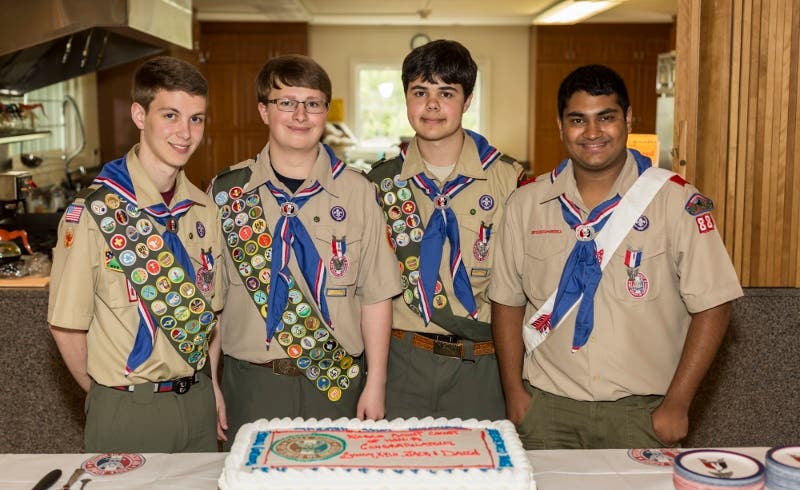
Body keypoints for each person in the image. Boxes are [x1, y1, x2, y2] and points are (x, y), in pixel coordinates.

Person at [489, 64, 744, 449]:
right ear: (561, 126)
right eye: (578, 120)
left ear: (627, 119)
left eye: (605, 118)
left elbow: (715, 305)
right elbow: (506, 303)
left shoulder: (675, 202)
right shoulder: (526, 204)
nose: (592, 133)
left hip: (643, 412)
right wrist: (514, 394)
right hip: (547, 409)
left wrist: (677, 404)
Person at [210, 54, 400, 446]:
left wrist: (376, 382)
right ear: (264, 111)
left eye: (312, 103)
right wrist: (210, 384)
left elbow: (376, 295)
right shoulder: (227, 193)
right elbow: (212, 300)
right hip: (251, 383)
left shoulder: (358, 192)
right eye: (286, 102)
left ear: (325, 112)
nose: (300, 114)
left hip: (335, 383)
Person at [48, 56, 223, 452]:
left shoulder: (203, 210)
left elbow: (212, 314)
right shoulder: (96, 212)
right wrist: (108, 396)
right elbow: (66, 326)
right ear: (139, 115)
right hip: (128, 407)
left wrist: (211, 387)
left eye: (197, 119)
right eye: (171, 115)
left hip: (197, 402)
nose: (185, 133)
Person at [367, 39, 526, 421]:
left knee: (481, 474)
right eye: (420, 92)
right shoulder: (379, 184)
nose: (432, 105)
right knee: (399, 473)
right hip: (404, 361)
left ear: (467, 100)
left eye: (446, 93)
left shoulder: (509, 179)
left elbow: (526, 282)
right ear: (406, 99)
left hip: (483, 363)